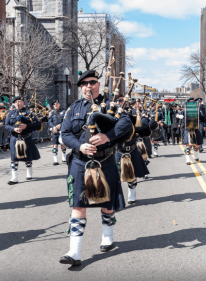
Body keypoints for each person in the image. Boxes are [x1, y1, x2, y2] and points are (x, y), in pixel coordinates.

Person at [59, 70, 132, 267]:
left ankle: (107, 235)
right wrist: (79, 146)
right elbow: (65, 133)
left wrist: (108, 136)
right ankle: (74, 251)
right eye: (84, 84)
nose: (88, 87)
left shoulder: (110, 105)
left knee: (106, 204)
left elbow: (126, 123)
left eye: (92, 82)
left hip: (104, 160)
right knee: (78, 205)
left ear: (98, 84)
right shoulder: (73, 108)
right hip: (79, 162)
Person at [115, 99, 150, 204]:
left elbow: (145, 126)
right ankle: (117, 199)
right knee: (116, 176)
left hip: (132, 150)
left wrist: (143, 118)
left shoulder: (132, 118)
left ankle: (132, 195)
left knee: (132, 176)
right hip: (118, 151)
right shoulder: (114, 118)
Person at [4, 97, 42, 185]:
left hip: (26, 137)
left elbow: (37, 125)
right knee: (14, 157)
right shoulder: (11, 113)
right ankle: (14, 177)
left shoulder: (29, 112)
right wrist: (14, 129)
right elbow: (6, 125)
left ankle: (29, 171)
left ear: (23, 103)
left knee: (27, 157)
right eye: (16, 102)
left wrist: (27, 126)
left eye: (20, 101)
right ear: (14, 103)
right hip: (15, 137)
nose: (18, 103)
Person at [181, 97, 203, 164]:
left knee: (197, 144)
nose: (192, 103)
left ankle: (195, 154)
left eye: (193, 102)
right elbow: (180, 114)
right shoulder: (185, 110)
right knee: (188, 144)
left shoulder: (197, 110)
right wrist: (178, 116)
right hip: (187, 129)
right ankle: (188, 158)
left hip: (196, 128)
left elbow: (202, 117)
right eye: (190, 102)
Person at [48, 100, 67, 165]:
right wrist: (54, 127)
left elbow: (66, 120)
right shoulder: (52, 113)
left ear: (59, 104)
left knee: (63, 145)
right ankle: (55, 160)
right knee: (55, 145)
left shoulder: (64, 111)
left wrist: (60, 125)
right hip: (55, 131)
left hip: (62, 130)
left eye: (57, 103)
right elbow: (50, 122)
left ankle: (64, 157)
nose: (55, 105)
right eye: (54, 104)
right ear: (53, 106)